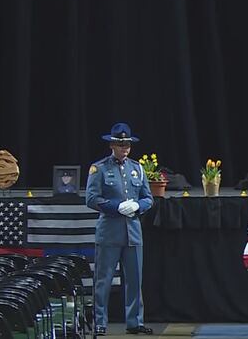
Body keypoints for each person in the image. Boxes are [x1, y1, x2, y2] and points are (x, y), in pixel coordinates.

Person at [86, 122, 154, 336]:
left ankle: (134, 322)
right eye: (120, 144)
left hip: (133, 232)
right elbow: (91, 198)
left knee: (134, 281)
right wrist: (115, 207)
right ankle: (100, 322)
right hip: (109, 232)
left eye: (127, 144)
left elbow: (148, 198)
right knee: (103, 281)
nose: (125, 148)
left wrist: (137, 206)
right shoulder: (100, 168)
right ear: (112, 145)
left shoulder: (137, 168)